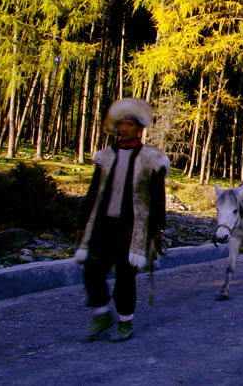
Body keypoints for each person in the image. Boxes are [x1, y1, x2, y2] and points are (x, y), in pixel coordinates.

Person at [75, 98, 169, 342]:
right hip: (102, 224)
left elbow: (158, 197)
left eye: (130, 124)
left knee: (125, 279)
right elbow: (93, 192)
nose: (125, 128)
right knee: (92, 271)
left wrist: (157, 229)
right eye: (122, 124)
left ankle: (125, 321)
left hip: (133, 228)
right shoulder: (105, 157)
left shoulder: (151, 158)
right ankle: (102, 313)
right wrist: (82, 222)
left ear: (140, 129)